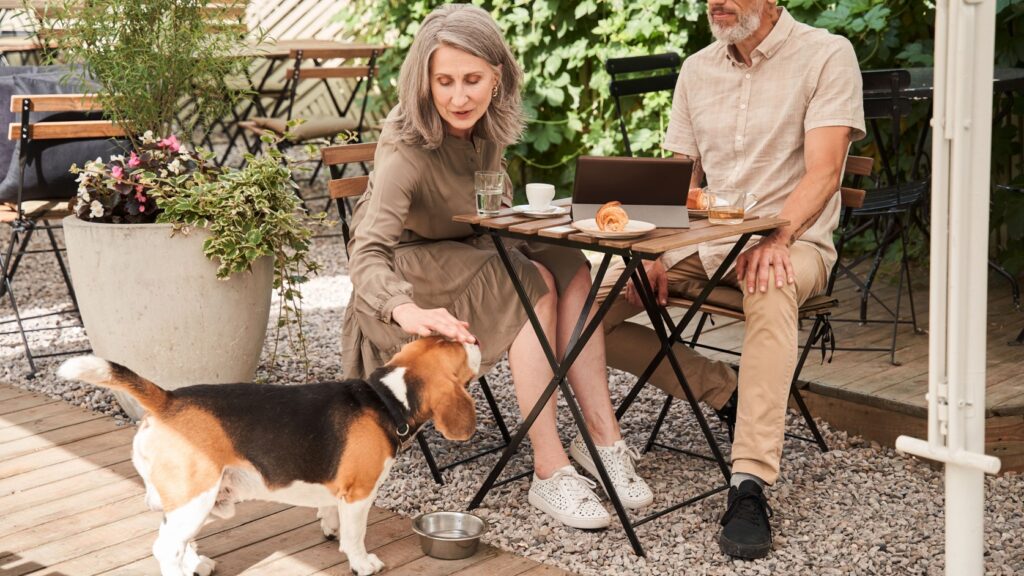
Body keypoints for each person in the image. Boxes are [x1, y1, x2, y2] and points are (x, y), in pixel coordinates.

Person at [342, 3, 652, 530]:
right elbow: (367, 250)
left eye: (471, 80)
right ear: (424, 82)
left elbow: (487, 212)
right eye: (444, 81)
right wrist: (403, 309)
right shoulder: (406, 148)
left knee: (570, 264)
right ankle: (549, 470)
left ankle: (603, 440)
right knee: (531, 285)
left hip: (467, 253)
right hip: (407, 277)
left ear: (497, 77)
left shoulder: (485, 129)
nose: (458, 97)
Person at [598, 0, 865, 559]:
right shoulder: (697, 69)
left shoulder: (826, 55)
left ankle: (748, 484)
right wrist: (650, 246)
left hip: (795, 242)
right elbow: (683, 172)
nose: (715, 2)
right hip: (704, 242)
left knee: (770, 282)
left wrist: (778, 237)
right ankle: (725, 390)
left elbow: (824, 171)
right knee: (584, 313)